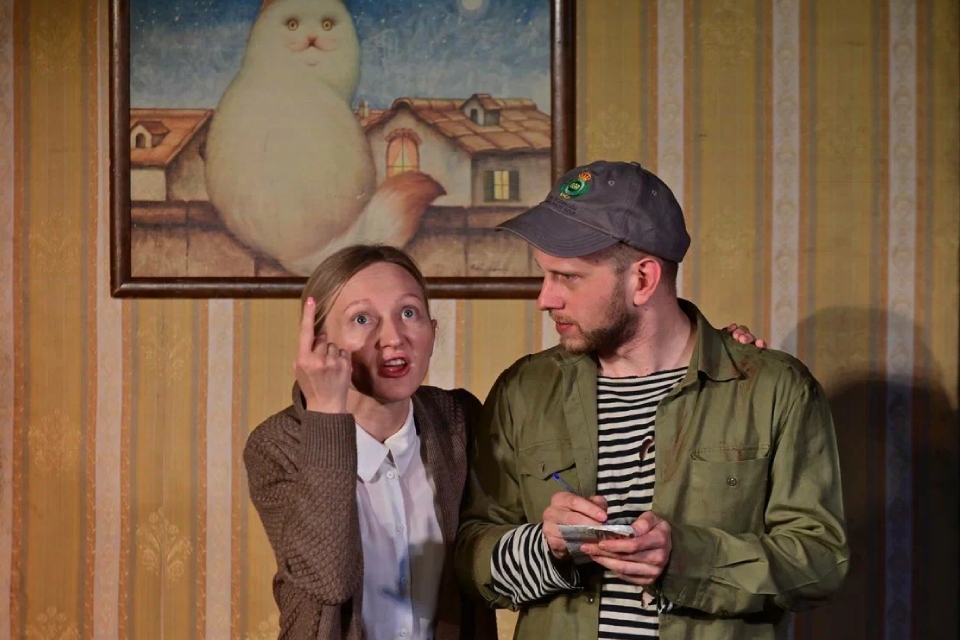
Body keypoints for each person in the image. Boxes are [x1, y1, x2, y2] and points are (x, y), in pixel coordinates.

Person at [455, 161, 849, 640]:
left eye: (568, 277)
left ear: (642, 279)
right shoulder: (523, 390)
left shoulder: (774, 389)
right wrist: (543, 546)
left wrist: (685, 559)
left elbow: (821, 563)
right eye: (545, 274)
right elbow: (470, 554)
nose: (545, 298)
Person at [243, 245, 498, 640]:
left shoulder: (459, 420)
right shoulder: (279, 444)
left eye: (408, 313)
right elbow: (327, 582)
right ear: (319, 343)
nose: (393, 338)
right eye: (362, 318)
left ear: (433, 331)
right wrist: (326, 412)